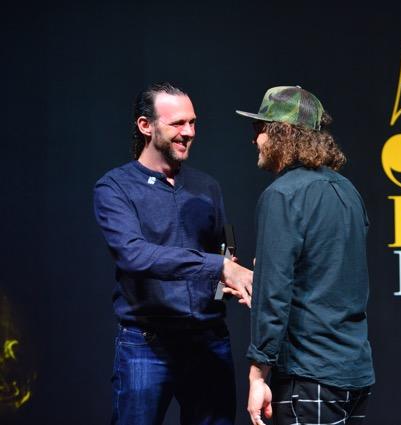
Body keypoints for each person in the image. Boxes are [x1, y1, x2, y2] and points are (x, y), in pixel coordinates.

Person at [93, 82, 252, 425]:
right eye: (178, 124)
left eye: (192, 123)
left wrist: (226, 281)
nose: (189, 132)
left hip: (209, 342)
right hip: (147, 347)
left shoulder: (206, 186)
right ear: (145, 126)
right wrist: (219, 268)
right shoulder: (115, 187)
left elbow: (222, 249)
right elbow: (133, 256)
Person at [236, 86, 375, 425]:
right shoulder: (347, 191)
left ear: (281, 134)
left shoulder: (282, 195)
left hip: (309, 375)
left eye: (260, 129)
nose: (254, 140)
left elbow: (275, 293)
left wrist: (257, 376)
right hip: (355, 374)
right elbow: (327, 273)